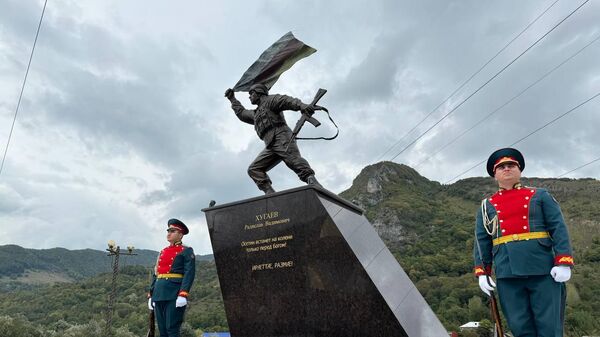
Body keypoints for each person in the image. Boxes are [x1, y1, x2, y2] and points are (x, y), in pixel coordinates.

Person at [473, 148, 574, 337]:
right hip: (507, 272)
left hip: (543, 270)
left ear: (519, 170)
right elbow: (482, 241)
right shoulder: (486, 206)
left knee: (549, 327)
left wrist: (563, 262)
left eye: (511, 165)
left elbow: (558, 228)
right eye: (501, 167)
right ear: (495, 174)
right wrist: (482, 272)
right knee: (519, 326)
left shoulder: (540, 195)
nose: (507, 169)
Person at [224, 84, 323, 194]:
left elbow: (286, 100)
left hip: (282, 136)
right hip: (270, 144)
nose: (249, 97)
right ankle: (270, 193)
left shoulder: (270, 101)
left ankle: (312, 181)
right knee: (254, 169)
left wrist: (301, 105)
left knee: (293, 160)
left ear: (259, 92)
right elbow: (241, 113)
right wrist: (232, 99)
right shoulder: (255, 113)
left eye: (251, 93)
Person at [148, 218, 196, 337]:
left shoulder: (186, 250)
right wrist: (151, 294)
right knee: (163, 331)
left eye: (172, 231)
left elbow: (189, 273)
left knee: (172, 329)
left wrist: (183, 294)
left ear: (180, 234)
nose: (169, 233)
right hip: (159, 294)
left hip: (174, 293)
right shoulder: (163, 251)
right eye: (168, 231)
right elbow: (156, 273)